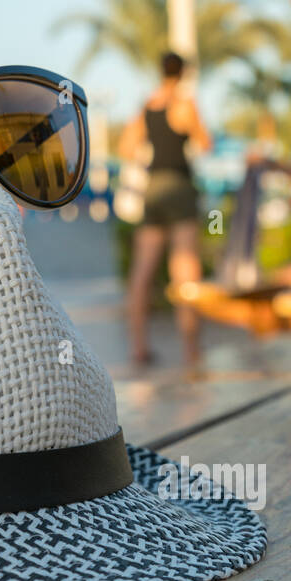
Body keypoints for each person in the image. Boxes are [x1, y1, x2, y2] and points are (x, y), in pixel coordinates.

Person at [117, 51, 212, 368]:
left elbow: (126, 148)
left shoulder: (148, 105)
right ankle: (192, 350)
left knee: (142, 272)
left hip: (152, 187)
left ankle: (138, 348)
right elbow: (205, 142)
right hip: (179, 185)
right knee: (185, 270)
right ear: (183, 73)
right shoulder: (184, 103)